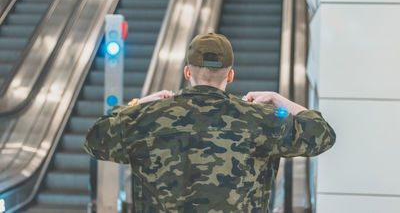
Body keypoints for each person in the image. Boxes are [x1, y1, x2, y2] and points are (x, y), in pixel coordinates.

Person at [84, 33, 336, 212]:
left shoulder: (147, 118)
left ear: (187, 72)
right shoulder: (260, 120)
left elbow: (95, 139)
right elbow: (322, 133)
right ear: (230, 75)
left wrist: (140, 103)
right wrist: (277, 99)